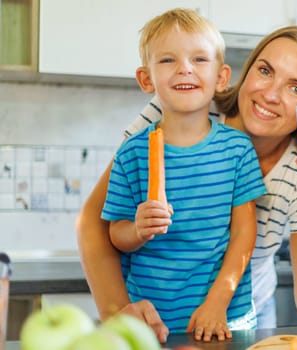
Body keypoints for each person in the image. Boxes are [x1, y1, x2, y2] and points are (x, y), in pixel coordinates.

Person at [76, 23, 297, 343]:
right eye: (265, 70)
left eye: (296, 88)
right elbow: (94, 221)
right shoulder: (185, 106)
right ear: (243, 72)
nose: (270, 94)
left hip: (237, 320)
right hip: (156, 315)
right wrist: (119, 312)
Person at [100, 8, 266, 339]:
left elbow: (244, 235)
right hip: (152, 323)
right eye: (167, 61)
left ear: (221, 77)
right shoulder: (131, 154)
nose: (184, 69)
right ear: (146, 79)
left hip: (224, 320)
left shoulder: (237, 150)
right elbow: (115, 234)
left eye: (199, 59)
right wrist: (138, 229)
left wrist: (217, 303)